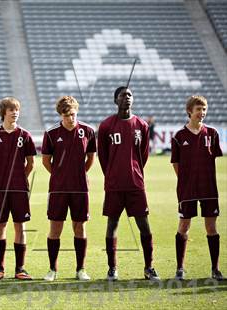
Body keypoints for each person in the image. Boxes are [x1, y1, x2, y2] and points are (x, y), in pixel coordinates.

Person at [97, 86, 159, 281]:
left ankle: (149, 267)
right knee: (112, 224)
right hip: (114, 185)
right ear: (116, 100)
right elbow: (103, 156)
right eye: (123, 95)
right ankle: (112, 268)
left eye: (130, 95)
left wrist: (135, 172)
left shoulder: (142, 125)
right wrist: (112, 174)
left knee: (144, 226)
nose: (127, 98)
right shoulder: (106, 125)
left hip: (135, 185)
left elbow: (144, 155)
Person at [41, 95, 96, 281]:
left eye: (73, 114)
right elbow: (46, 161)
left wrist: (80, 173)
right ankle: (52, 270)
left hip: (80, 188)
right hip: (58, 189)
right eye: (66, 116)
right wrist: (59, 174)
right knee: (55, 228)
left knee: (79, 228)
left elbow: (91, 158)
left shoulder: (88, 131)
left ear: (77, 112)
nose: (70, 118)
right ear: (60, 115)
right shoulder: (51, 133)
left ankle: (81, 269)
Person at [171, 95, 224, 281]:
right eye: (198, 110)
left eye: (204, 109)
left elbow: (214, 158)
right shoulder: (179, 136)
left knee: (211, 226)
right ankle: (180, 268)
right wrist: (186, 180)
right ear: (189, 112)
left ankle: (215, 269)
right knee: (184, 225)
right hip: (187, 190)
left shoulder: (213, 133)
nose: (202, 113)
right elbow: (176, 163)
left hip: (209, 188)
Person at [0, 97, 37, 280]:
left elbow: (31, 163)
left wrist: (20, 178)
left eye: (17, 110)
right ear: (3, 112)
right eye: (11, 110)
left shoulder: (25, 135)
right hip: (0, 189)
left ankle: (20, 269)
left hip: (20, 189)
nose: (15, 112)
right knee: (0, 227)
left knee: (20, 227)